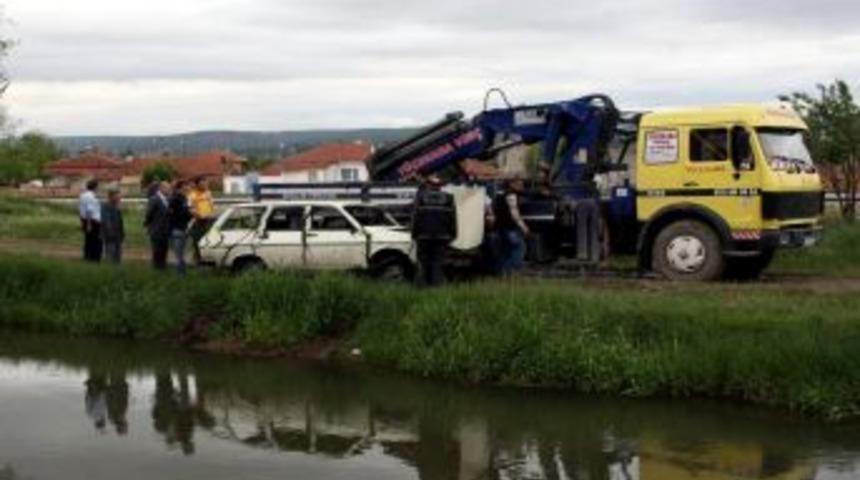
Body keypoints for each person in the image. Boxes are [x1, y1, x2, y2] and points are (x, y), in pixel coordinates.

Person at [410, 175, 457, 287]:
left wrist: (414, 234)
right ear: (440, 186)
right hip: (442, 237)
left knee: (422, 263)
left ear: (429, 185)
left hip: (423, 237)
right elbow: (453, 219)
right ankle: (435, 287)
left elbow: (415, 218)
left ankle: (422, 287)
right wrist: (453, 235)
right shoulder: (449, 198)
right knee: (437, 263)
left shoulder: (420, 197)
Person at [493, 178, 530, 275]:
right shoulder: (511, 196)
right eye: (519, 184)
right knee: (520, 247)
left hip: (500, 227)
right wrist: (524, 227)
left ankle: (500, 273)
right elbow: (514, 214)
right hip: (510, 228)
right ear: (511, 184)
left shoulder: (500, 195)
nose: (522, 186)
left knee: (505, 251)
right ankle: (510, 270)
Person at [188, 176, 216, 264]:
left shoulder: (208, 193)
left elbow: (212, 206)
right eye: (203, 182)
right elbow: (191, 209)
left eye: (206, 182)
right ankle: (198, 260)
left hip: (209, 221)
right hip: (198, 222)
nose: (205, 184)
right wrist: (198, 215)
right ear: (197, 185)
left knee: (211, 241)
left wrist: (212, 215)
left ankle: (210, 259)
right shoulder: (192, 195)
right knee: (198, 242)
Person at [144, 181, 172, 270]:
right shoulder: (154, 199)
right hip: (156, 230)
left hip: (165, 230)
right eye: (168, 188)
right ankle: (156, 270)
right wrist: (150, 226)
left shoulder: (167, 199)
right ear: (161, 188)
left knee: (164, 250)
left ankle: (162, 268)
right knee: (157, 251)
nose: (169, 190)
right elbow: (149, 214)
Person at [168, 180, 193, 275]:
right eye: (185, 186)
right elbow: (175, 214)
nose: (187, 188)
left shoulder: (183, 198)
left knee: (181, 253)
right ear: (180, 188)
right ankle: (180, 274)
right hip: (178, 229)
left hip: (182, 228)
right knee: (179, 255)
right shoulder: (177, 199)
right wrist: (190, 213)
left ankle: (182, 273)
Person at [78, 179, 102, 262]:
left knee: (88, 241)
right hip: (93, 221)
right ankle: (94, 259)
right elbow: (89, 210)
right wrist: (89, 224)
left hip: (85, 220)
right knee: (96, 242)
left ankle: (87, 257)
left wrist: (82, 222)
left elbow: (81, 210)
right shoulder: (91, 197)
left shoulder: (82, 195)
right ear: (95, 187)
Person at [100, 187, 125, 264]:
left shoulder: (116, 206)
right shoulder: (106, 206)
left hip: (118, 236)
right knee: (111, 258)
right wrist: (111, 233)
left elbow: (120, 222)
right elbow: (106, 221)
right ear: (111, 196)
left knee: (118, 257)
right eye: (117, 196)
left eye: (119, 196)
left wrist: (122, 234)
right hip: (111, 237)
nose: (119, 198)